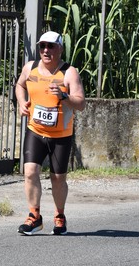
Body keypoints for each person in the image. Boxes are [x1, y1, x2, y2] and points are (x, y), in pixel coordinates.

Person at [15, 31, 86, 235]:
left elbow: (80, 103)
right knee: (30, 172)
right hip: (35, 131)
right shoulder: (30, 68)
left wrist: (64, 96)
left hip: (61, 136)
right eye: (42, 46)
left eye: (51, 46)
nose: (46, 50)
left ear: (60, 49)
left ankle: (60, 216)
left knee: (58, 178)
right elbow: (19, 85)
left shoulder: (69, 72)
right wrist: (21, 102)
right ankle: (34, 217)